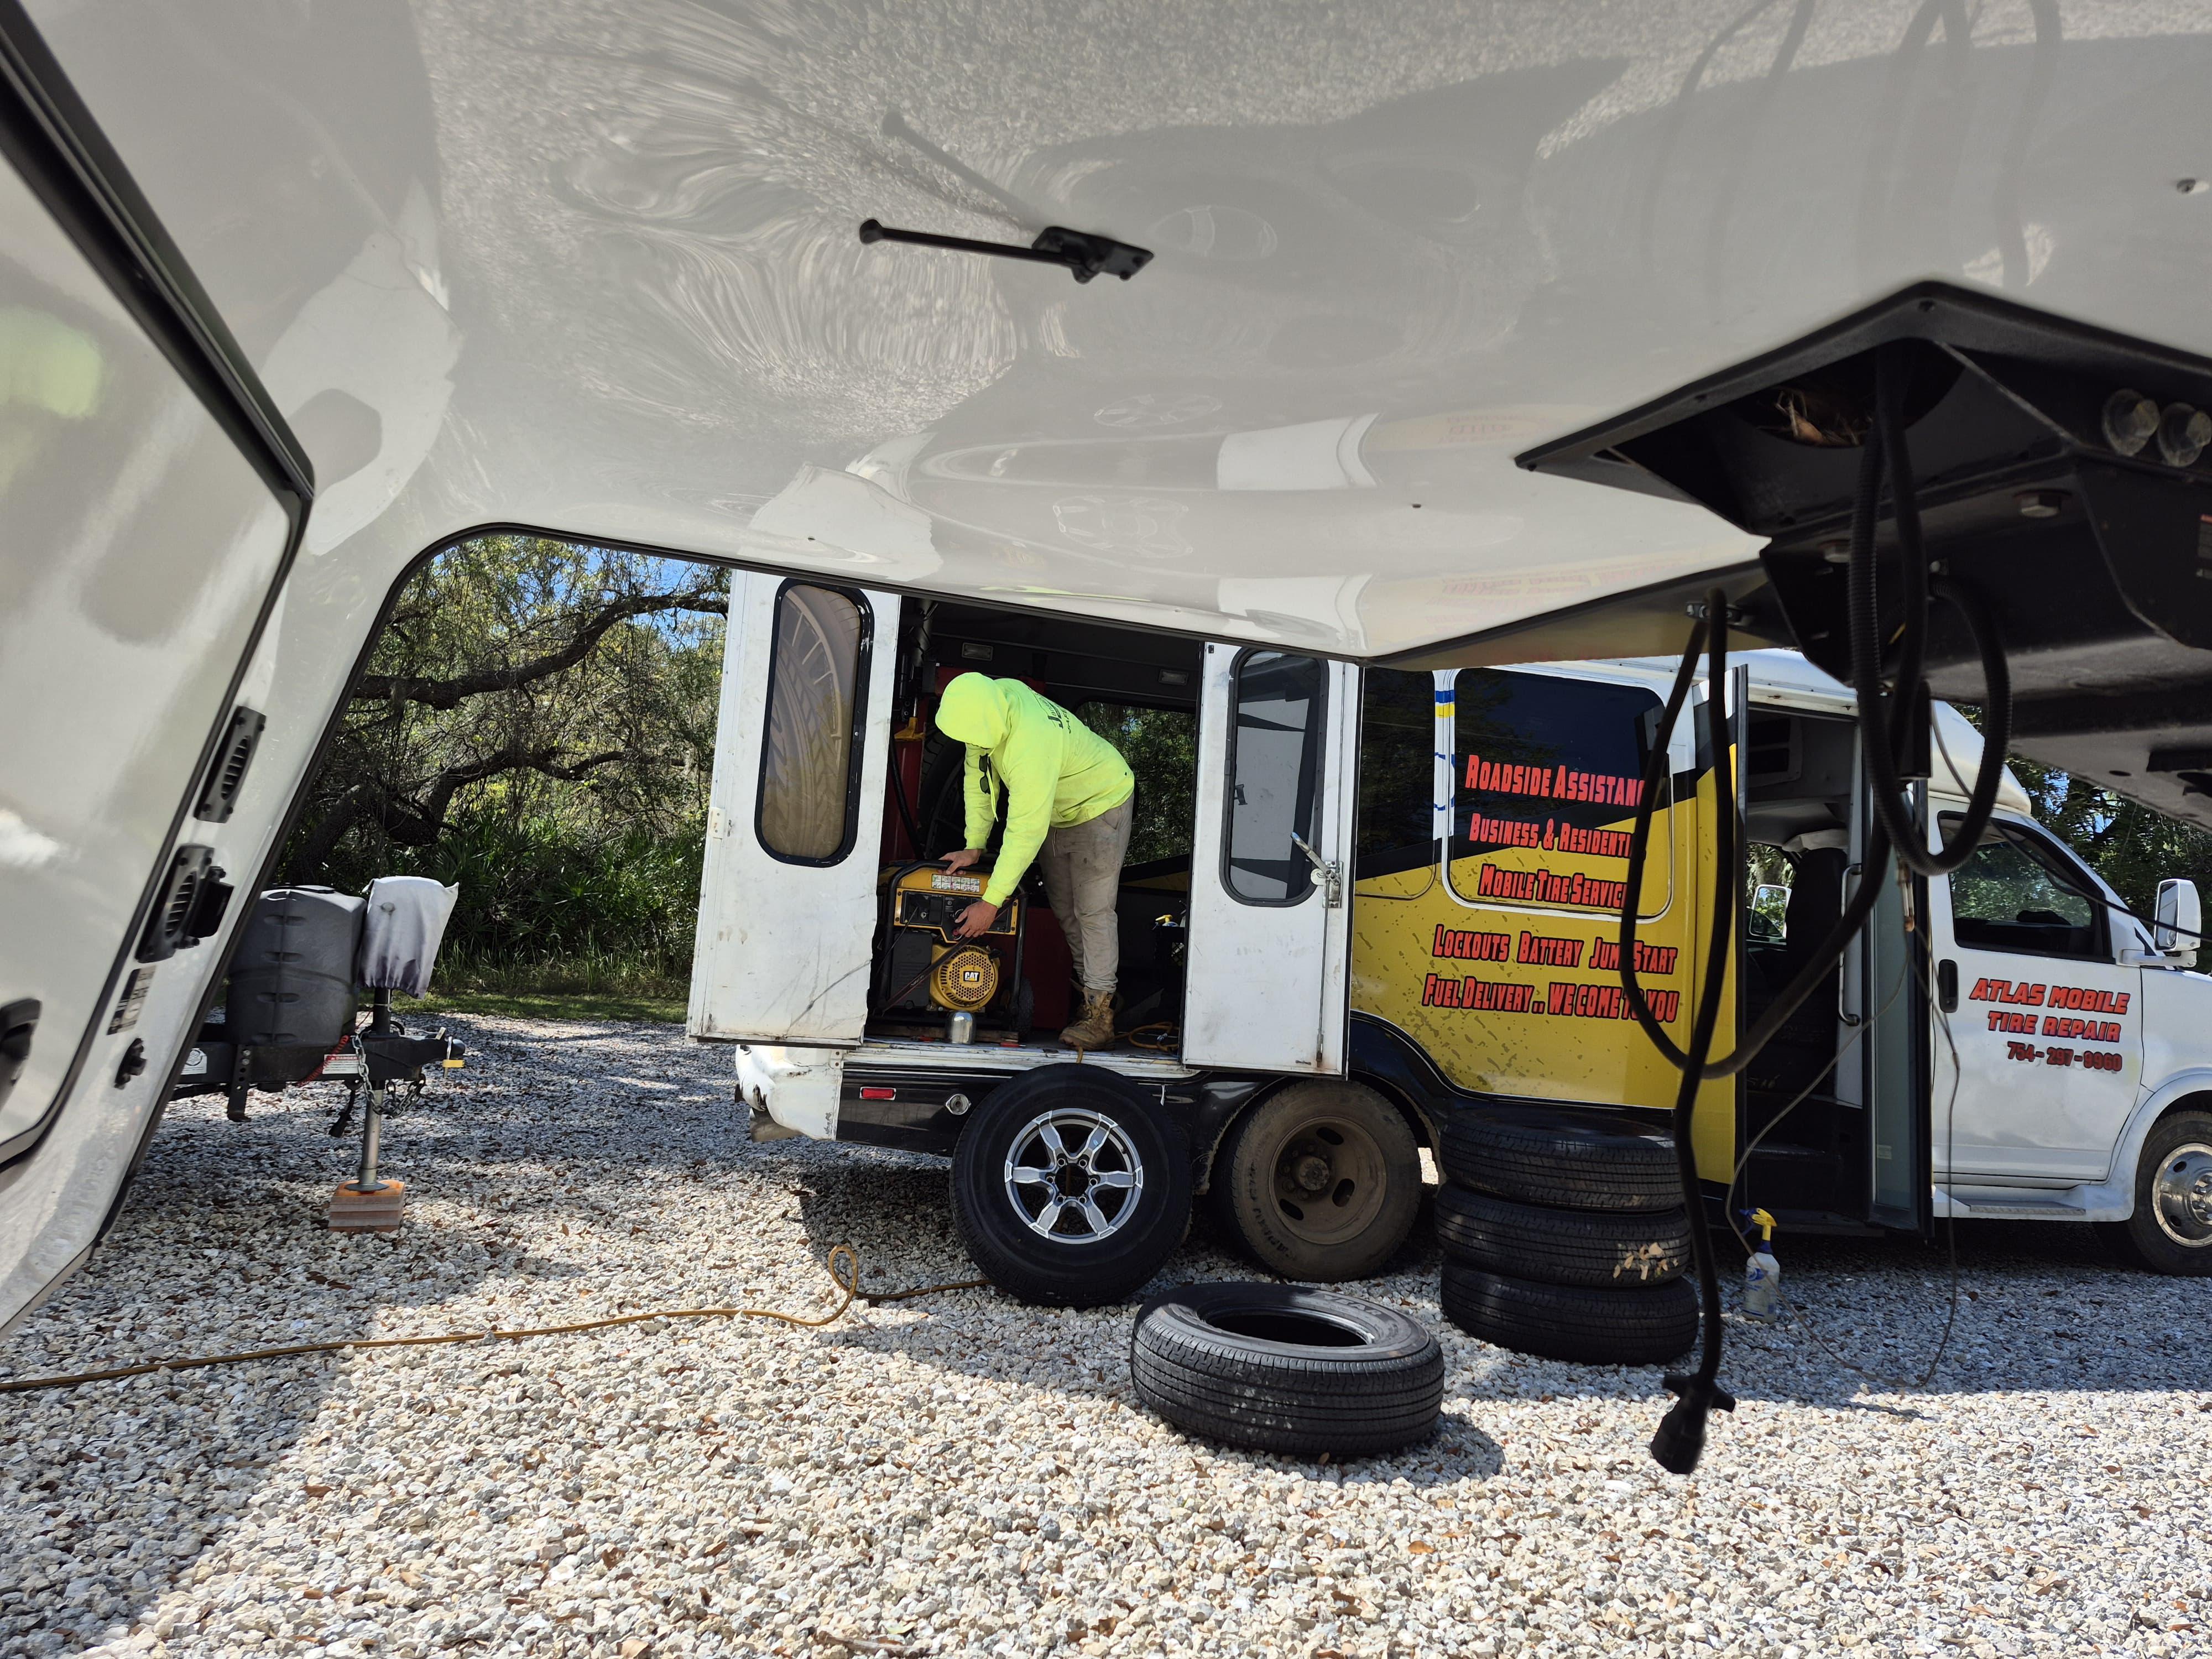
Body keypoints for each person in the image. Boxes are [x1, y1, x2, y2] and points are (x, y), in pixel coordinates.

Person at [933, 672, 1134, 1051]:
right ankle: (1095, 988)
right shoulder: (989, 707)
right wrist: (974, 845)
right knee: (1065, 909)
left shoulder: (1031, 741)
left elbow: (1025, 830)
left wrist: (991, 902)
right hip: (1058, 811)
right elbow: (977, 780)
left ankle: (1099, 1010)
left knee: (1093, 910)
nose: (971, 744)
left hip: (1102, 801)